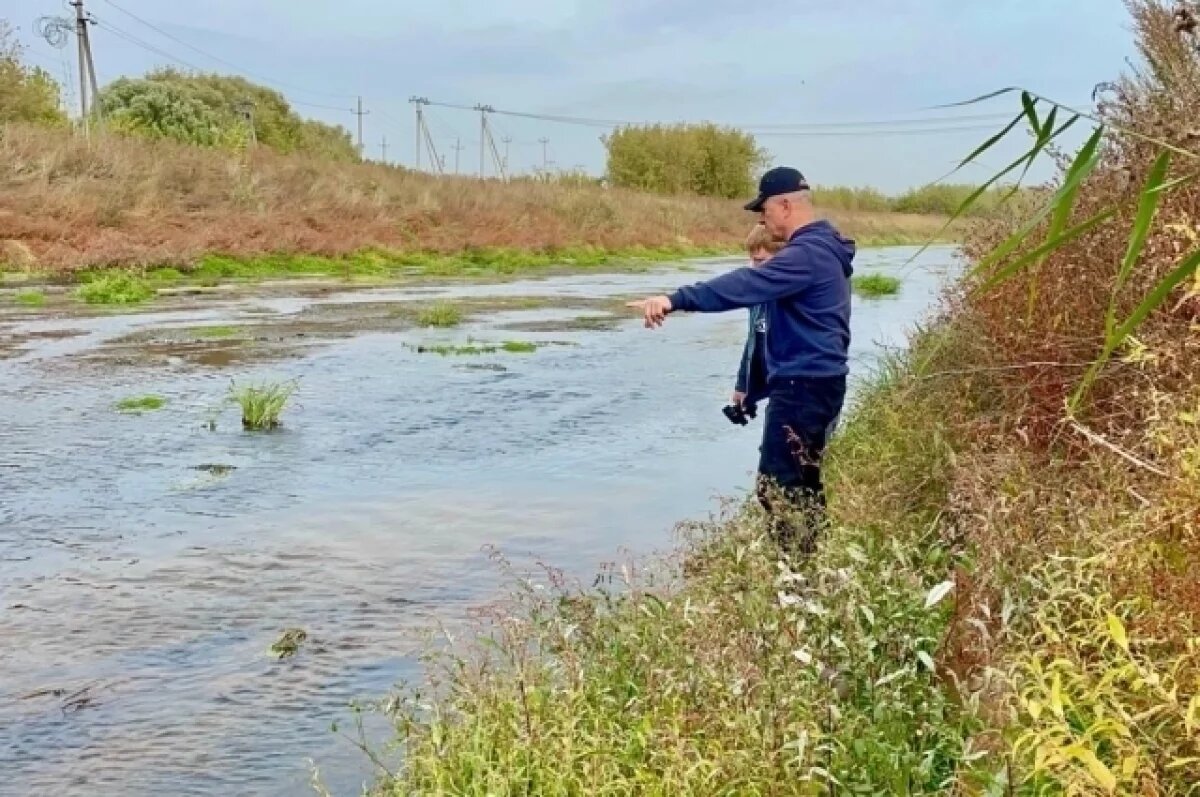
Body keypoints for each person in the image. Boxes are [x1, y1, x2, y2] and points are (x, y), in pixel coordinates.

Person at [627, 166, 855, 556]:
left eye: (763, 209)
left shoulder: (807, 254)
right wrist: (750, 388)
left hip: (804, 389)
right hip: (818, 384)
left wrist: (675, 299)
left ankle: (796, 578)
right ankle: (815, 566)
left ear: (784, 204)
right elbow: (772, 331)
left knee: (777, 486)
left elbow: (744, 286)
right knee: (803, 482)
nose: (761, 218)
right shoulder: (825, 248)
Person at [731, 223, 784, 416]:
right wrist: (743, 385)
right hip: (773, 388)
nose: (752, 267)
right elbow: (753, 340)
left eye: (759, 260)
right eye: (751, 260)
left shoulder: (794, 296)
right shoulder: (757, 296)